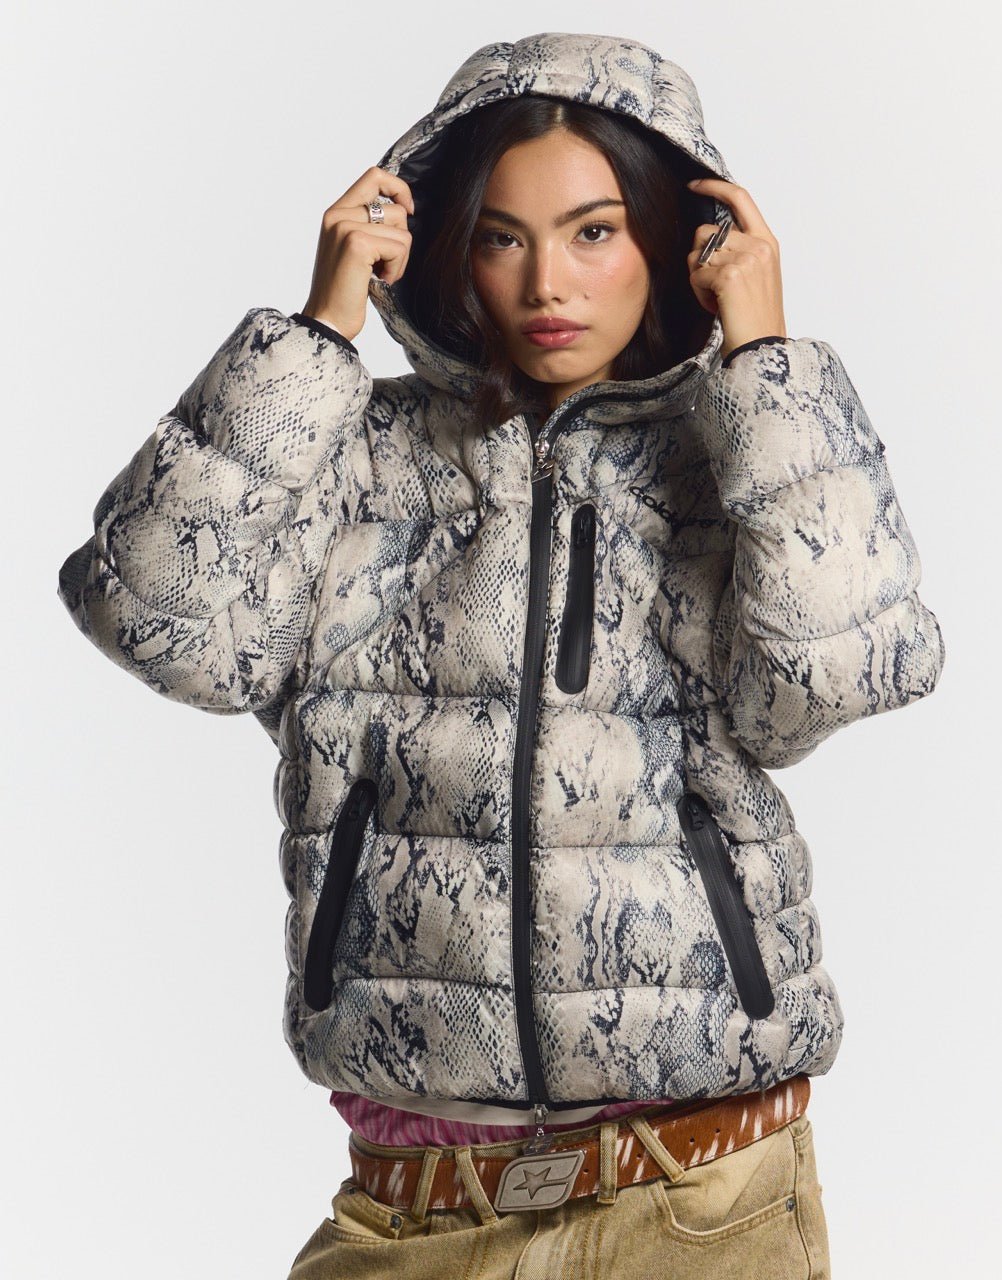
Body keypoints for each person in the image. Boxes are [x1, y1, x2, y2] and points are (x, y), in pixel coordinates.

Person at [56, 30, 946, 1279]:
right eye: (500, 236)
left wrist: (766, 361)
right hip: (414, 1207)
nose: (545, 283)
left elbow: (839, 669)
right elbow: (158, 619)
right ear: (446, 249)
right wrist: (316, 333)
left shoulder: (727, 447)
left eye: (594, 232)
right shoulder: (359, 451)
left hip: (701, 1196)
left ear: (672, 241)